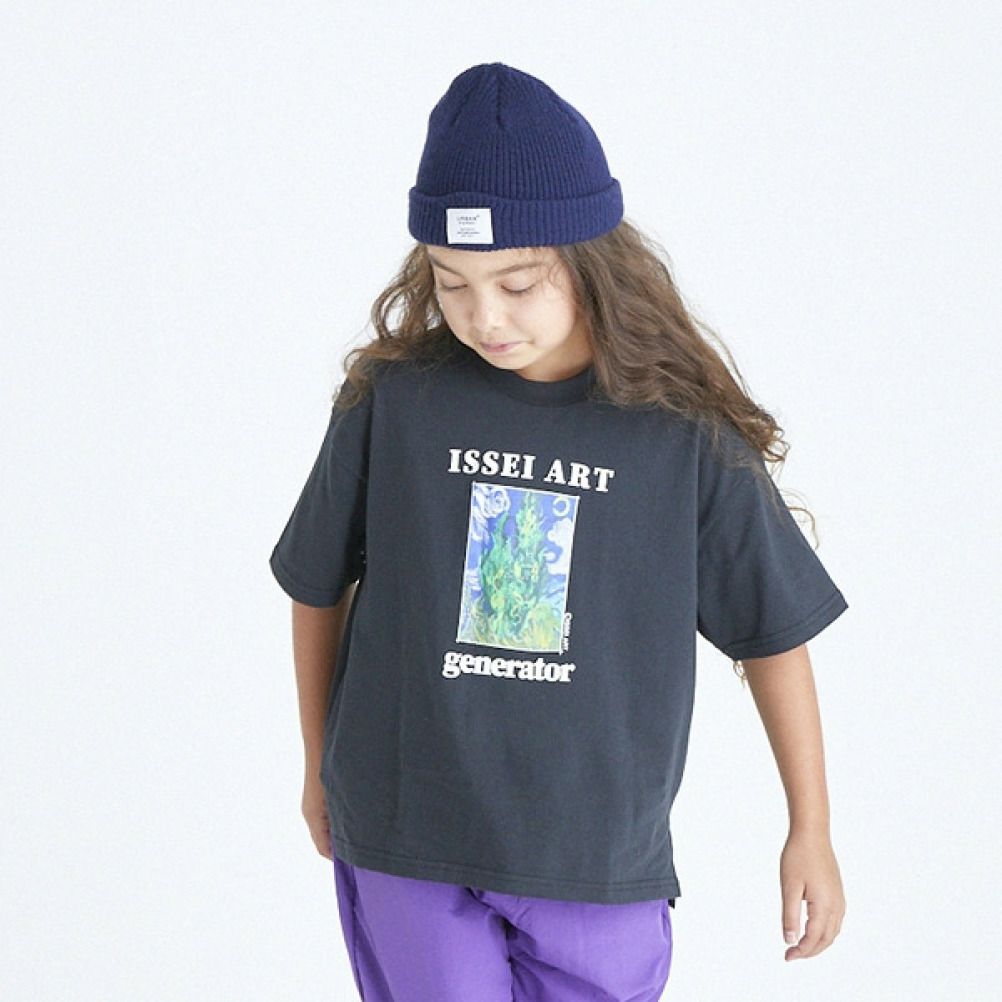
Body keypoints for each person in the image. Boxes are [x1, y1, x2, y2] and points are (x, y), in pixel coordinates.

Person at [269, 61, 849, 1002]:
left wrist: (809, 828)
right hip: (408, 833)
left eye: (517, 283)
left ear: (587, 260)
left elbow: (772, 633)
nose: (483, 316)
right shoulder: (394, 401)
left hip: (595, 858)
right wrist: (317, 766)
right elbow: (315, 583)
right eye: (452, 283)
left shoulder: (681, 435)